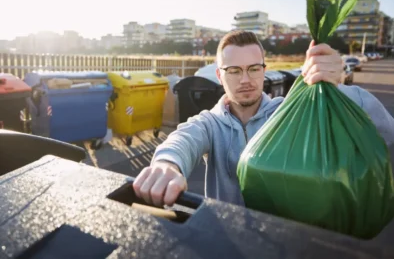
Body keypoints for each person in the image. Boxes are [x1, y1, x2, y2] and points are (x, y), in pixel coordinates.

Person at [133, 30, 394, 207]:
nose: (245, 80)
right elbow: (184, 138)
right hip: (227, 241)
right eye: (234, 70)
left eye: (253, 69)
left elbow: (385, 133)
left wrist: (333, 90)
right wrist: (167, 164)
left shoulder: (288, 113)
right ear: (219, 75)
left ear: (264, 71)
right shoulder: (210, 124)